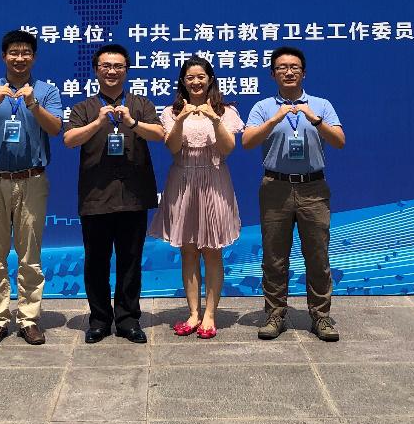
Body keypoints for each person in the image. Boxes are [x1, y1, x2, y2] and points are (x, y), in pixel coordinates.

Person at [0, 29, 62, 346]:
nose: (20, 58)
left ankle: (29, 319)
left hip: (32, 179)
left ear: (34, 57)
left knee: (30, 255)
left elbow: (56, 128)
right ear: (4, 56)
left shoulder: (46, 91)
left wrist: (34, 105)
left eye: (26, 53)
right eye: (14, 53)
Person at [242, 45, 345, 342]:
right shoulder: (263, 107)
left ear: (304, 73)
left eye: (294, 67)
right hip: (275, 187)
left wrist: (314, 119)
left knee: (317, 255)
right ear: (273, 74)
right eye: (282, 68)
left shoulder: (321, 105)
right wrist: (275, 119)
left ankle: (321, 316)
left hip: (313, 187)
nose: (288, 72)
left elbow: (339, 141)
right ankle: (275, 314)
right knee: (274, 256)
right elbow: (247, 142)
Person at [64, 43, 165, 344]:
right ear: (96, 70)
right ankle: (99, 320)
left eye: (118, 66)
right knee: (96, 261)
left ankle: (128, 319)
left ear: (127, 70)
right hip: (96, 196)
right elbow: (69, 139)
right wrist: (98, 122)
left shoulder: (141, 104)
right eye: (106, 66)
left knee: (130, 260)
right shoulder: (84, 108)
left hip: (133, 195)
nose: (112, 71)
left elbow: (159, 134)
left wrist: (132, 122)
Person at [149, 57, 243, 339]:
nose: (196, 82)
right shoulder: (171, 112)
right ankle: (193, 313)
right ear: (183, 82)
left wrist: (214, 118)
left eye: (201, 76)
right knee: (188, 250)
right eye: (190, 77)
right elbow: (172, 147)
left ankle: (210, 315)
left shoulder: (226, 111)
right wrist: (180, 119)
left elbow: (227, 148)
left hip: (214, 181)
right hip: (183, 182)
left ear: (210, 79)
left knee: (212, 250)